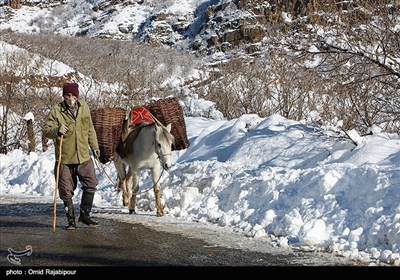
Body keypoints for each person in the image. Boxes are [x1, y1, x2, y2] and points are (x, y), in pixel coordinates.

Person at [43, 82, 101, 230]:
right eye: (68, 95)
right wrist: (57, 130)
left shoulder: (84, 108)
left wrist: (95, 147)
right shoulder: (57, 111)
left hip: (83, 156)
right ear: (64, 96)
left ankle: (84, 215)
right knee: (66, 190)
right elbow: (45, 131)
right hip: (65, 158)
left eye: (73, 95)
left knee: (91, 183)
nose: (71, 98)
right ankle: (71, 221)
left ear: (77, 96)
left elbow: (90, 129)